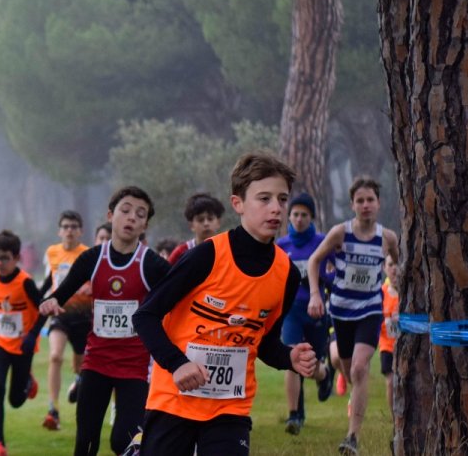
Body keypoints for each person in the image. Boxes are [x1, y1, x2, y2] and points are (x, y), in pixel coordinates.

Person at [133, 152, 318, 456]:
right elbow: (146, 316)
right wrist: (177, 364)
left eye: (282, 199)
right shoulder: (206, 256)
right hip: (175, 398)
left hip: (230, 407)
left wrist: (289, 358)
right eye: (264, 198)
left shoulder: (286, 275)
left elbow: (266, 344)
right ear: (238, 204)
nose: (276, 208)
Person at [40, 186, 172, 456]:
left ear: (145, 224)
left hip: (134, 368)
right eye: (125, 211)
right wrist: (51, 301)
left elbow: (181, 289)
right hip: (96, 363)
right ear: (111, 215)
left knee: (123, 442)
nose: (131, 218)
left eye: (140, 214)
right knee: (85, 442)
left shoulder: (151, 264)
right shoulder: (91, 259)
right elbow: (61, 293)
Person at [306, 177, 400, 456]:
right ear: (352, 205)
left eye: (370, 199)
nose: (365, 205)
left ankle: (352, 438)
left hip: (370, 310)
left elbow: (398, 262)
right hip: (341, 311)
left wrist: (401, 286)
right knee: (349, 370)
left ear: (378, 203)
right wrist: (314, 294)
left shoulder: (388, 237)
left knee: (360, 368)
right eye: (360, 200)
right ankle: (351, 393)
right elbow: (314, 261)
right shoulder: (339, 233)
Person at [0, 230, 43, 456]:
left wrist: (33, 335)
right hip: (0, 342)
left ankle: (27, 383)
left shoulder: (26, 283)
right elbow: (0, 304)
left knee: (15, 400)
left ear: (17, 258)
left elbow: (43, 311)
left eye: (5, 257)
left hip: (23, 345)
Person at [274, 192, 334, 435]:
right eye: (295, 215)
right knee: (292, 360)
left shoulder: (323, 243)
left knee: (311, 365)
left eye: (304, 215)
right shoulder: (281, 246)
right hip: (291, 311)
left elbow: (333, 276)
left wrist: (319, 278)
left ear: (312, 218)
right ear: (289, 217)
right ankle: (294, 415)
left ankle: (324, 374)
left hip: (317, 309)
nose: (299, 219)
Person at [40, 210, 92, 431]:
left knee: (81, 367)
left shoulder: (88, 254)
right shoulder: (52, 252)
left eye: (74, 226)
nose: (69, 231)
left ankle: (78, 382)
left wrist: (88, 287)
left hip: (82, 317)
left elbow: (96, 284)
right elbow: (49, 280)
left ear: (80, 231)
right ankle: (53, 409)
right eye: (66, 226)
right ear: (59, 231)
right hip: (60, 315)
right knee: (54, 356)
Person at [167, 193, 224, 265]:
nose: (206, 223)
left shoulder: (227, 249)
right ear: (191, 225)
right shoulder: (181, 252)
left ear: (218, 222)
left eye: (210, 219)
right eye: (200, 220)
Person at [379, 255, 400, 418]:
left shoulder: (410, 292)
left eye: (397, 264)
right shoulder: (381, 293)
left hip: (407, 345)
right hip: (387, 345)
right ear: (384, 268)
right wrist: (387, 320)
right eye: (390, 264)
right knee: (391, 382)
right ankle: (395, 421)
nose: (394, 268)